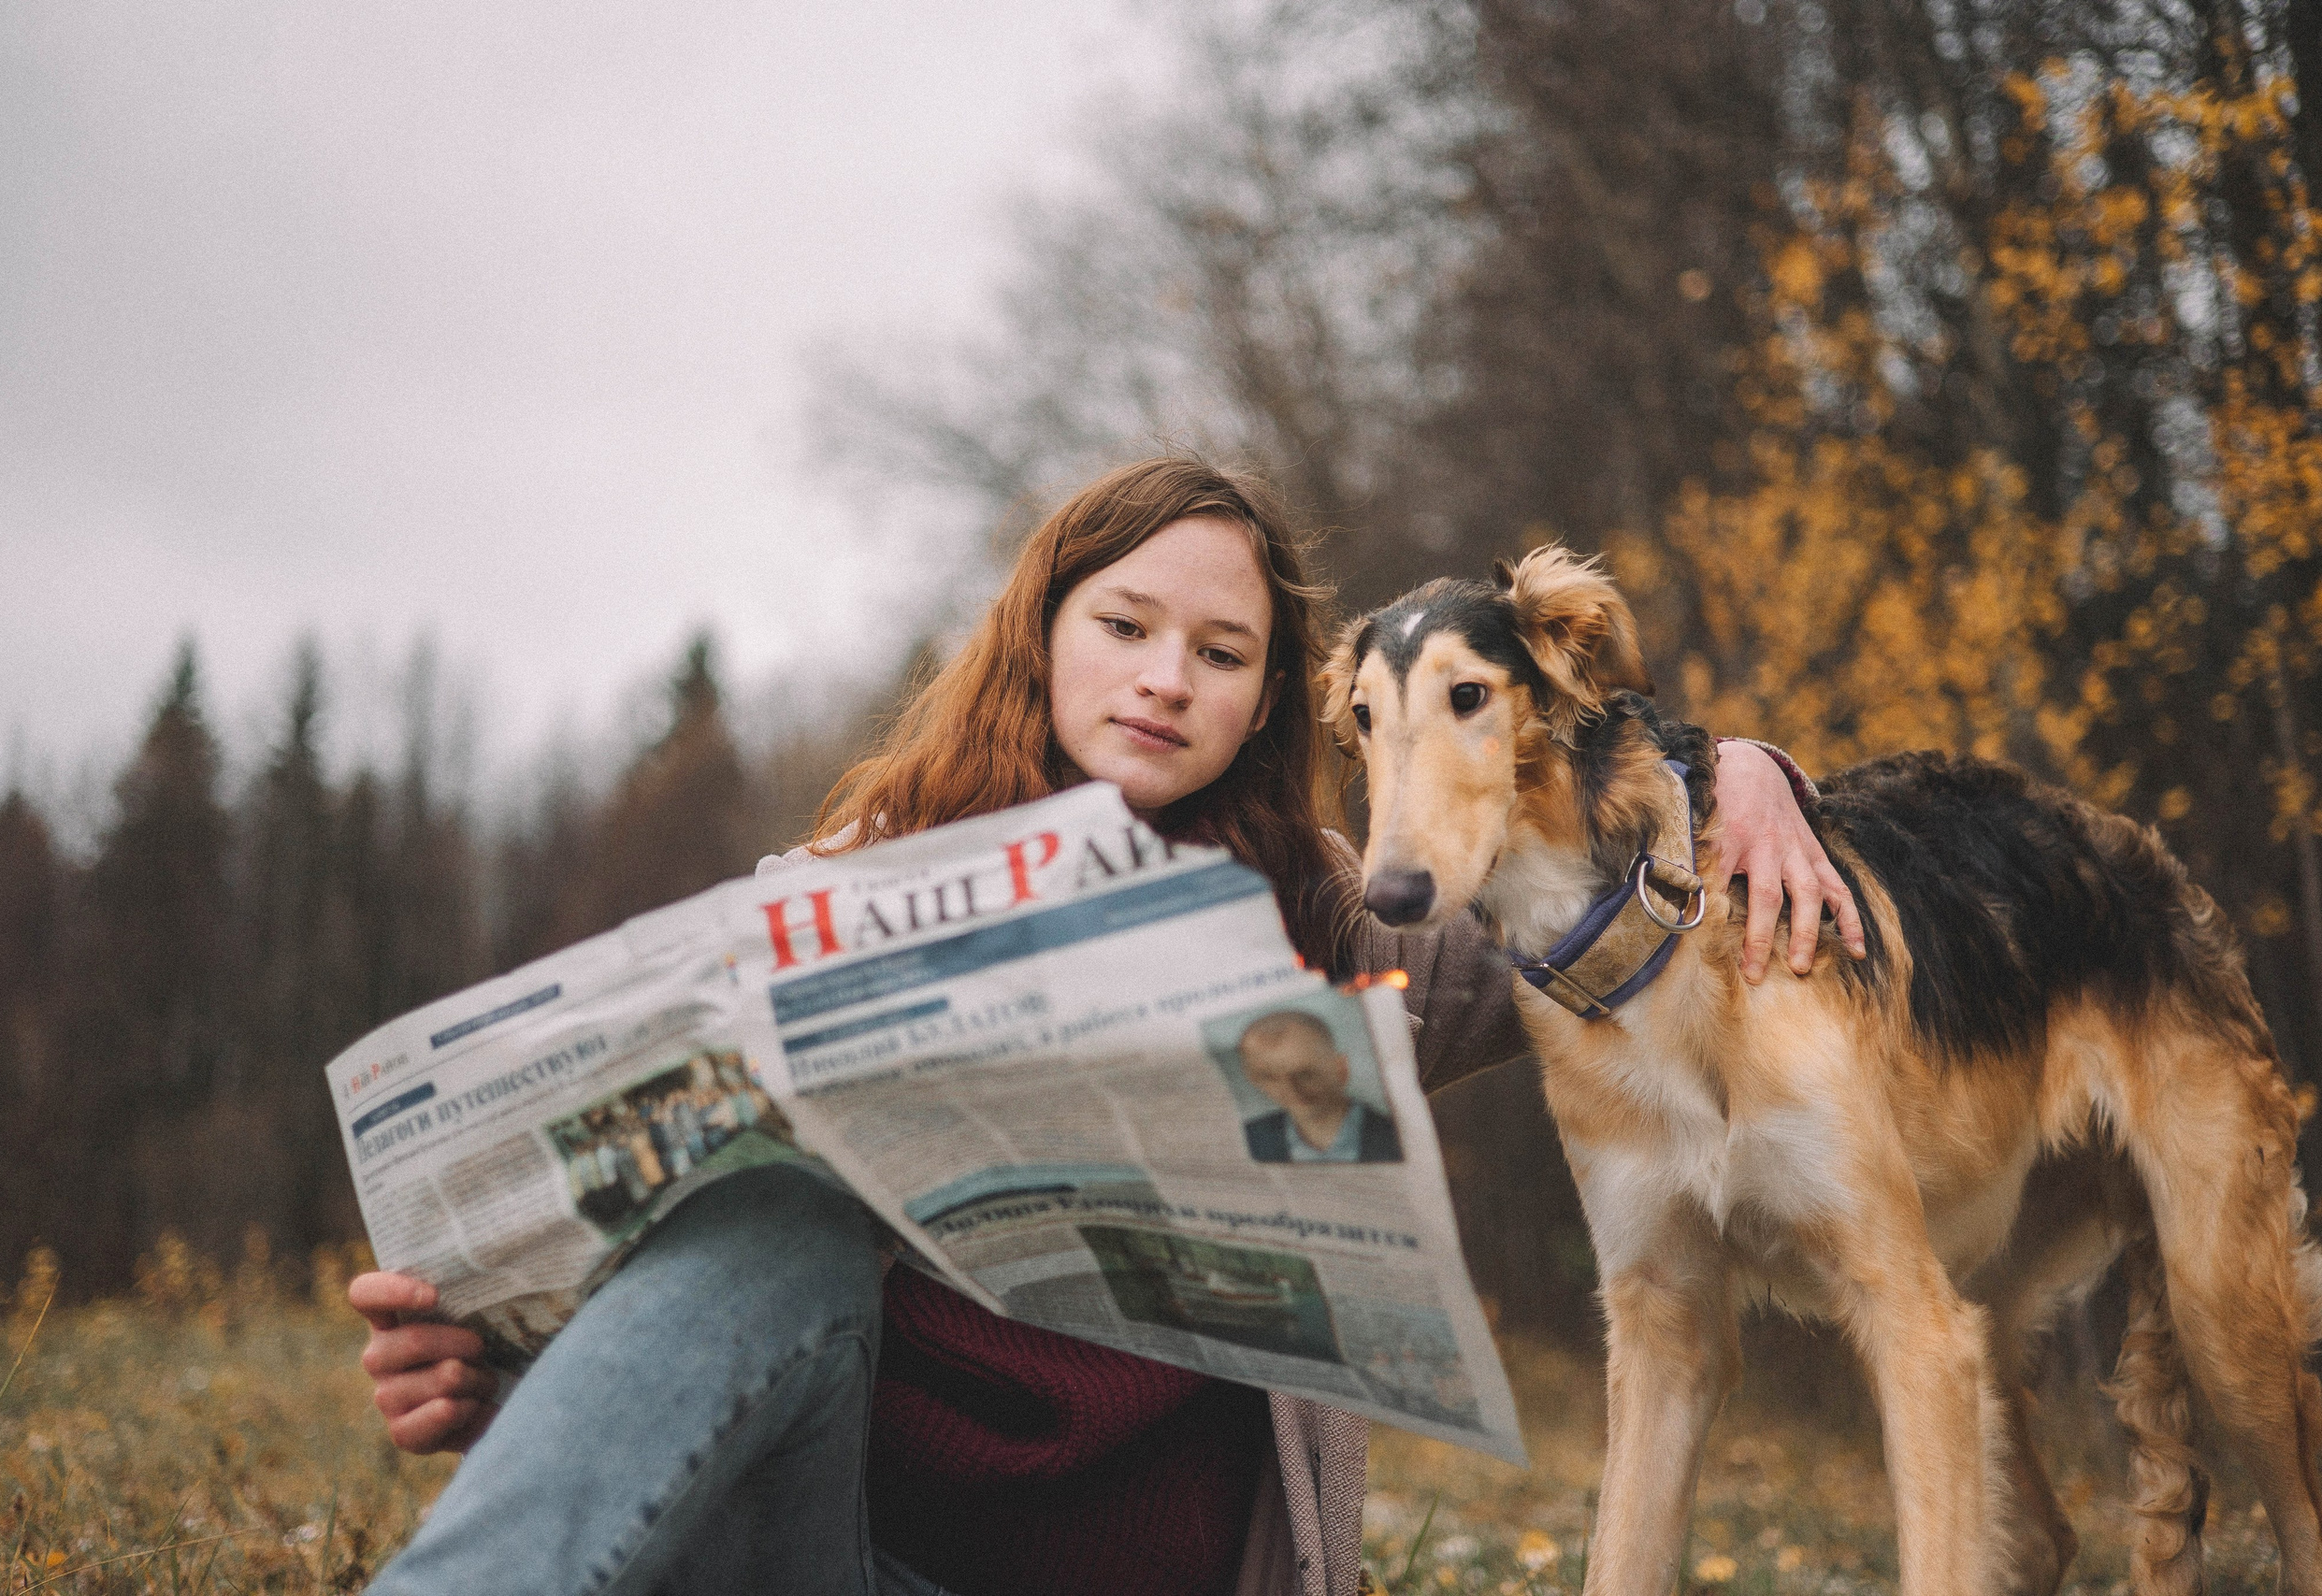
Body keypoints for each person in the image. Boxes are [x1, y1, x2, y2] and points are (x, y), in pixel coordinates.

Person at [348, 457, 1860, 1596]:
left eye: (1220, 649)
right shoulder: (849, 890)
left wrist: (1734, 774)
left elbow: (1588, 915)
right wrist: (504, 1375)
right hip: (845, 1561)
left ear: (1270, 694)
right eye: (1125, 623)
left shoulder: (1324, 917)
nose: (1163, 677)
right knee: (766, 1224)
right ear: (1042, 635)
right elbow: (714, 1352)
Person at [1233, 1010, 1400, 1164]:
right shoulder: (1247, 1139)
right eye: (1269, 1077)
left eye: (1305, 1073)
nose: (1291, 1089)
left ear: (1341, 1069)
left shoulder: (1398, 1135)